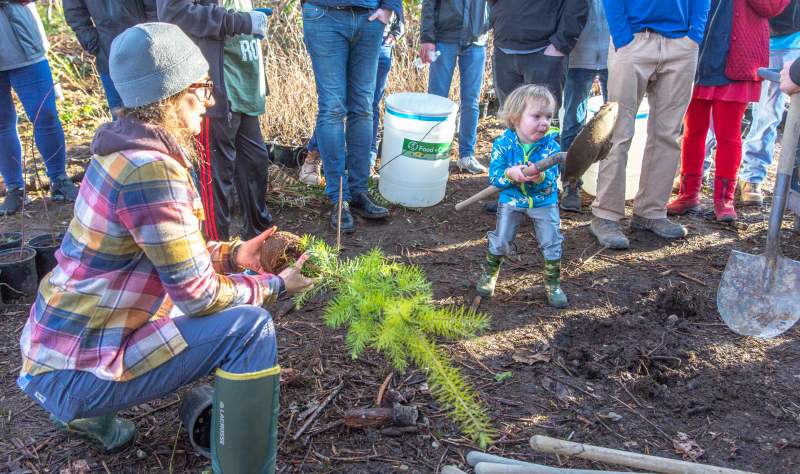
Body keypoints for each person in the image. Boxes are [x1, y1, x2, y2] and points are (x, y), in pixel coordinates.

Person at [17, 23, 312, 472]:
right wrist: (272, 284)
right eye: (204, 88)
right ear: (175, 94)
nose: (210, 101)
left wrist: (237, 257)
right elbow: (197, 297)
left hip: (54, 351)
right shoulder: (153, 171)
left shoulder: (116, 152)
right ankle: (247, 465)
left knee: (175, 304)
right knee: (250, 328)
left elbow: (166, 253)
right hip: (74, 375)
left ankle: (90, 419)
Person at [589, 0, 709, 250]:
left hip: (681, 44)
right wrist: (623, 36)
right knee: (617, 132)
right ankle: (606, 215)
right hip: (634, 39)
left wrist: (693, 36)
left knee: (668, 134)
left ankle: (651, 212)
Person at [158, 0, 274, 242]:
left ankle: (260, 242)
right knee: (215, 182)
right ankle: (215, 258)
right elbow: (173, 12)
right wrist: (240, 21)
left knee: (256, 163)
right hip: (213, 88)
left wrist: (251, 19)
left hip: (245, 84)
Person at [668, 0, 788, 222]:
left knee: (729, 134)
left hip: (738, 56)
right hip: (699, 54)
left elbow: (771, 7)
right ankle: (689, 194)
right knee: (693, 130)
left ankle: (724, 200)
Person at [302, 0, 402, 234]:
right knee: (332, 108)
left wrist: (390, 8)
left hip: (369, 18)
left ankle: (359, 192)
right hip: (324, 16)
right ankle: (339, 198)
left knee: (364, 108)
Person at [475, 84, 568, 308]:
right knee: (501, 239)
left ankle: (553, 283)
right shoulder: (503, 145)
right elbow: (495, 178)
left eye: (548, 116)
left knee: (551, 241)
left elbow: (551, 179)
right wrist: (509, 173)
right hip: (511, 200)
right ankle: (490, 275)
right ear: (516, 118)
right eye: (536, 116)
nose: (544, 122)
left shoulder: (550, 148)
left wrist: (539, 178)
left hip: (543, 202)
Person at [0, 0, 79, 215]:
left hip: (26, 46)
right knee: (1, 123)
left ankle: (59, 180)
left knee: (45, 115)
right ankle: (14, 188)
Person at [739, 0, 800, 205]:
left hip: (793, 39)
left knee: (769, 113)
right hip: (753, 33)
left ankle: (752, 176)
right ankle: (694, 171)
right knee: (723, 103)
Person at [419, 0, 489, 174]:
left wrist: (487, 24)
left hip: (476, 41)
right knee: (436, 100)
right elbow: (429, 4)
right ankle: (432, 154)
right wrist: (427, 38)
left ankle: (466, 156)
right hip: (444, 39)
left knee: (471, 102)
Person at [63, 0, 157, 119]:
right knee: (122, 121)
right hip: (109, 54)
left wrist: (153, 35)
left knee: (159, 115)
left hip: (148, 52)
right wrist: (95, 45)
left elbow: (154, 7)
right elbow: (74, 13)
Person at [488, 0, 587, 109]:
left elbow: (577, 4)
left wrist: (561, 43)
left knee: (542, 118)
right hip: (504, 49)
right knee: (511, 118)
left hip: (544, 51)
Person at [559, 0, 610, 212]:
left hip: (614, 55)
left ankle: (610, 186)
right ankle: (571, 183)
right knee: (573, 122)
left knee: (617, 124)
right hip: (578, 56)